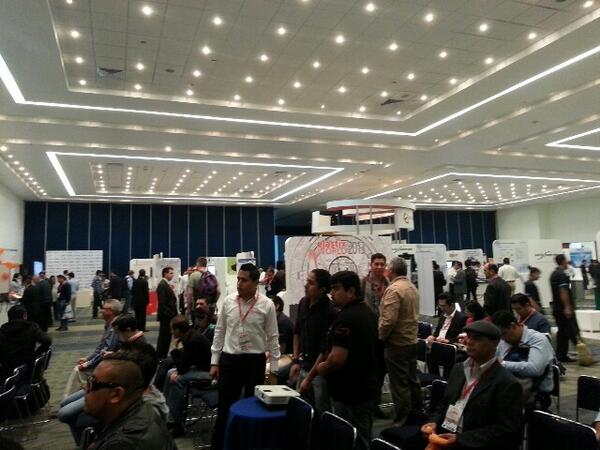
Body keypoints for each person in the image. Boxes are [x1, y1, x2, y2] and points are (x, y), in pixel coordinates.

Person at [300, 271, 379, 450]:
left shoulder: (346, 318)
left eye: (336, 289)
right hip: (365, 388)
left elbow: (336, 359)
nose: (332, 293)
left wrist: (322, 367)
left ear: (351, 291)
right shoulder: (367, 312)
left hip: (350, 392)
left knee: (352, 440)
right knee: (360, 437)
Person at [420, 320, 524, 450]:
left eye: (477, 338)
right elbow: (444, 405)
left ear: (495, 343)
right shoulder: (458, 369)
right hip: (445, 434)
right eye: (469, 337)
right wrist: (433, 422)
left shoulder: (507, 384)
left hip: (474, 443)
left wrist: (460, 439)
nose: (469, 342)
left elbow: (507, 432)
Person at [210, 263, 280, 450]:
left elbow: (273, 338)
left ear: (256, 283)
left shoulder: (267, 305)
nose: (239, 283)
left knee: (254, 407)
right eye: (238, 279)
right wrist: (214, 362)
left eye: (244, 280)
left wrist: (274, 370)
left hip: (254, 362)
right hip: (230, 360)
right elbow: (220, 332)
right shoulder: (228, 301)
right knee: (225, 408)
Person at [84, 353, 176, 449]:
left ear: (116, 394)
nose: (85, 388)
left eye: (92, 383)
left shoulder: (122, 444)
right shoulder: (144, 408)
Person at [379, 257, 422, 426]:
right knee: (412, 381)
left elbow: (388, 321)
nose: (385, 270)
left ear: (392, 271)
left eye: (387, 267)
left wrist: (380, 337)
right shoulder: (412, 287)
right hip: (411, 341)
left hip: (397, 344)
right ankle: (417, 414)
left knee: (399, 385)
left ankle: (402, 421)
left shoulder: (394, 290)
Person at [289, 269, 336, 417]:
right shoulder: (303, 303)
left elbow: (325, 349)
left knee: (321, 412)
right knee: (301, 409)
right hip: (304, 364)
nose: (306, 285)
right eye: (307, 281)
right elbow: (297, 332)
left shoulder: (331, 311)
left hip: (320, 371)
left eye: (311, 283)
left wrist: (310, 377)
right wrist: (295, 360)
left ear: (322, 289)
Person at [492, 311, 554, 411]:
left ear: (513, 326)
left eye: (504, 333)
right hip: (511, 388)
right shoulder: (505, 340)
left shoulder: (538, 339)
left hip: (535, 394)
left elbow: (535, 369)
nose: (503, 339)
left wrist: (503, 364)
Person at [163, 314, 212, 437]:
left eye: (172, 329)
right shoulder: (190, 336)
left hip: (209, 373)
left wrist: (174, 349)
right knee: (170, 373)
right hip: (202, 367)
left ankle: (176, 423)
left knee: (177, 379)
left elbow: (182, 368)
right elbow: (185, 363)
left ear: (178, 330)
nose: (171, 332)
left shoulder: (192, 340)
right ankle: (167, 413)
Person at [0, 305, 51, 385]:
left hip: (8, 371)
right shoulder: (31, 327)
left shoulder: (2, 330)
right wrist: (37, 353)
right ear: (24, 316)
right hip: (28, 367)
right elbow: (47, 340)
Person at [550, 254, 580, 363]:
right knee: (570, 330)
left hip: (557, 307)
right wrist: (567, 307)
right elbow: (563, 291)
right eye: (566, 260)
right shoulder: (562, 275)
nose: (567, 262)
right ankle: (580, 352)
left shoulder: (554, 274)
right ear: (563, 261)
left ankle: (561, 355)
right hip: (563, 308)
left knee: (563, 332)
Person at [78, 299, 123, 371]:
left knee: (78, 371)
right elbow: (101, 347)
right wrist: (88, 359)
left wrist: (88, 363)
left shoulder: (114, 327)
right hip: (109, 360)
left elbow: (106, 350)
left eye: (104, 309)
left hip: (113, 363)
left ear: (110, 311)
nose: (101, 311)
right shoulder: (109, 324)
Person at [156, 266, 178, 358]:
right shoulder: (162, 285)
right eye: (171, 273)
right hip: (166, 316)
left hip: (167, 315)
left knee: (166, 336)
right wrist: (170, 314)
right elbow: (162, 303)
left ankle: (162, 355)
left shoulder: (165, 284)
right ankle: (161, 355)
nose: (172, 275)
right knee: (164, 337)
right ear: (165, 273)